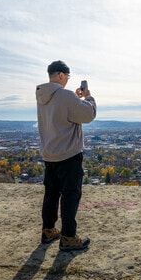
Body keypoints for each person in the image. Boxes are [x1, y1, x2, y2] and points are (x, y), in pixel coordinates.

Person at [35, 60, 96, 251]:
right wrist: (88, 97)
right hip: (69, 154)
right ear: (61, 75)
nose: (68, 81)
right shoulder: (65, 95)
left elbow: (61, 112)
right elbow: (88, 115)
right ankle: (68, 237)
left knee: (51, 194)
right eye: (67, 77)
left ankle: (48, 230)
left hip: (50, 153)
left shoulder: (42, 95)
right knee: (70, 195)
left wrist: (74, 99)